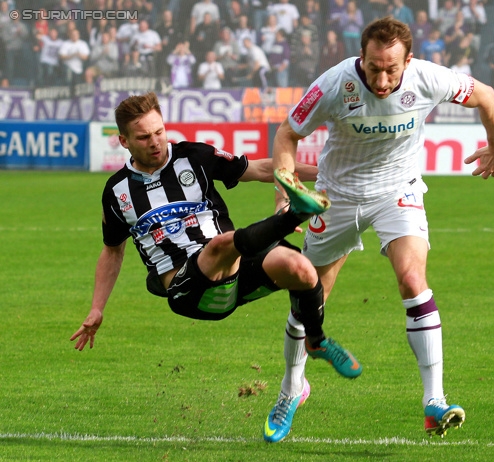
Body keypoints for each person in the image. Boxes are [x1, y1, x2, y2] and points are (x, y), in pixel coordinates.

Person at [266, 16, 494, 443]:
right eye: (374, 66)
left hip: (398, 191)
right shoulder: (334, 84)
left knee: (413, 280)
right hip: (336, 197)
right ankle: (292, 389)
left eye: (391, 69)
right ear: (362, 57)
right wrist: (287, 186)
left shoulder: (428, 78)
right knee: (310, 297)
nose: (381, 77)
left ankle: (434, 402)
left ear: (407, 61)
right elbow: (287, 134)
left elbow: (486, 96)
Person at [70, 93, 362, 436]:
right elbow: (112, 251)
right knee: (223, 243)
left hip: (232, 269)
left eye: (159, 132)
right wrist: (96, 308)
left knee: (301, 269)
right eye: (144, 137)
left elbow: (263, 168)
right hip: (187, 289)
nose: (155, 142)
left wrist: (329, 177)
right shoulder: (116, 191)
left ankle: (315, 342)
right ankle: (296, 213)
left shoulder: (194, 156)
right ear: (124, 141)